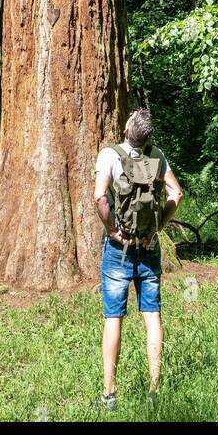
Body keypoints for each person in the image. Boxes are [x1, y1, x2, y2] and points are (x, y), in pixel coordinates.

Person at [93, 107, 183, 409]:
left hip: (119, 250)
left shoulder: (110, 155)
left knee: (113, 319)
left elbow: (99, 197)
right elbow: (176, 194)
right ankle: (154, 390)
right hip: (149, 247)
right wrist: (158, 226)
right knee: (152, 317)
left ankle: (109, 394)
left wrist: (113, 230)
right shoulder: (156, 156)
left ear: (126, 132)